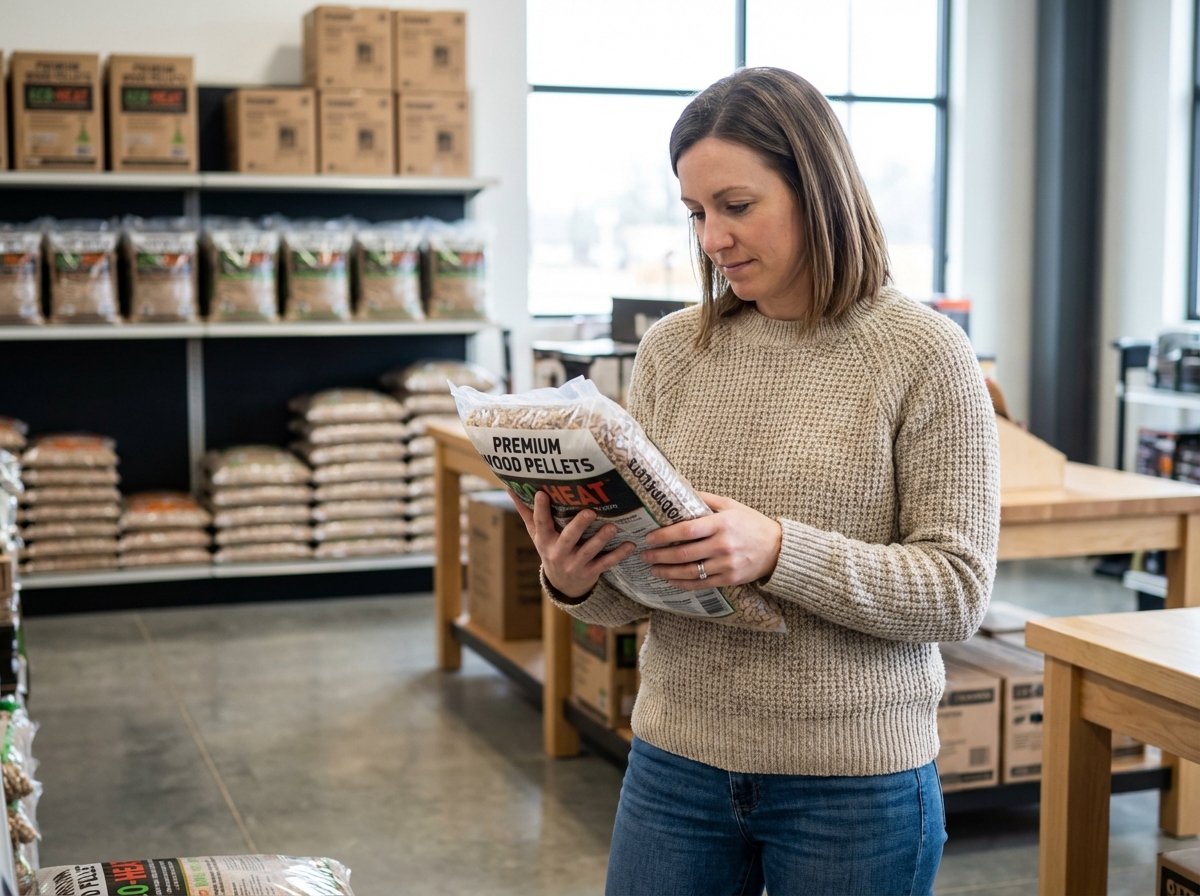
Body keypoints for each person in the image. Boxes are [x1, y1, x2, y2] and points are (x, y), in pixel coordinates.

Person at [509, 67, 1000, 896]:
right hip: (675, 764)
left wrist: (777, 551)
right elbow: (636, 592)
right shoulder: (673, 350)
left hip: (852, 783)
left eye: (737, 207)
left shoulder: (924, 354)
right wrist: (574, 579)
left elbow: (957, 592)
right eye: (697, 213)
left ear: (818, 189)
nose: (712, 239)